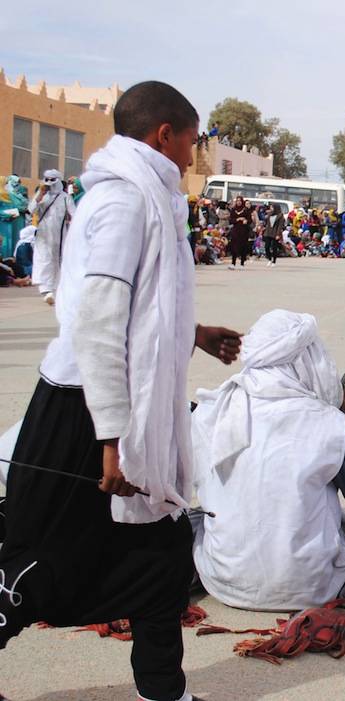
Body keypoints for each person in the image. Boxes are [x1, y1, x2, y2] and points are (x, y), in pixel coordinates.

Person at [0, 81, 241, 701]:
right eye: (191, 141)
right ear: (164, 135)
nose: (193, 155)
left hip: (122, 410)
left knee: (160, 554)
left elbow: (141, 307)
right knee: (40, 563)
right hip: (86, 412)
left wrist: (193, 334)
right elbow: (98, 321)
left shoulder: (148, 198)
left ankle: (164, 689)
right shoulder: (125, 202)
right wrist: (111, 439)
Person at [191, 311, 345, 611]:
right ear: (308, 358)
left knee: (200, 516)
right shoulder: (327, 420)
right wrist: (342, 414)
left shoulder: (212, 409)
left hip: (223, 581)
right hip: (311, 585)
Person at [27, 169, 76, 305]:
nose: (50, 184)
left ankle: (55, 289)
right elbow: (30, 211)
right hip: (43, 233)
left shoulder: (65, 197)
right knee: (44, 259)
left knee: (58, 260)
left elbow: (75, 214)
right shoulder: (41, 195)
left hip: (60, 235)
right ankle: (46, 289)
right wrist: (39, 197)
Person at [226, 196, 251, 269]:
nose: (238, 202)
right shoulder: (233, 210)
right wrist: (237, 219)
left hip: (244, 231)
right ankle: (233, 263)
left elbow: (250, 220)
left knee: (243, 246)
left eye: (240, 201)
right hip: (236, 230)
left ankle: (242, 263)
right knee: (234, 247)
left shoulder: (246, 210)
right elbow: (231, 220)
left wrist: (246, 221)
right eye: (237, 201)